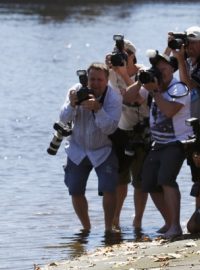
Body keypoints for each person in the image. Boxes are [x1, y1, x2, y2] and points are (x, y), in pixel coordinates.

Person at [125, 50, 193, 238]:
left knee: (166, 179)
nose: (161, 72)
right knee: (149, 182)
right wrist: (140, 80)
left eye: (164, 69)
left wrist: (154, 91)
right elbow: (128, 98)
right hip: (158, 143)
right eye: (157, 69)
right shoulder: (153, 85)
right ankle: (170, 222)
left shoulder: (179, 88)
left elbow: (170, 111)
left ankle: (176, 228)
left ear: (172, 69)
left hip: (177, 142)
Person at [59, 62, 122, 233]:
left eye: (99, 80)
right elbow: (63, 119)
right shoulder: (76, 90)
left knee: (109, 188)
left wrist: (98, 109)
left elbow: (110, 128)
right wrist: (72, 104)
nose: (95, 83)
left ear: (106, 80)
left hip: (103, 149)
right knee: (75, 190)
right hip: (77, 149)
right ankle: (86, 229)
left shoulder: (114, 98)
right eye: (91, 79)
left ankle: (109, 228)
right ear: (86, 79)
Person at [105, 38, 150, 230]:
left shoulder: (144, 73)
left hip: (141, 132)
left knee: (139, 181)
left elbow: (140, 99)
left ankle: (138, 220)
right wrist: (108, 65)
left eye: (125, 54)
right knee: (119, 179)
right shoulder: (110, 73)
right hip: (119, 132)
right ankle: (115, 219)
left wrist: (124, 74)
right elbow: (95, 82)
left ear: (133, 55)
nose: (121, 57)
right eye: (118, 53)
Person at [166, 26, 200, 233]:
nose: (190, 46)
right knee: (197, 174)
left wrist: (180, 59)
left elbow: (188, 84)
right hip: (194, 127)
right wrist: (170, 47)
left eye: (194, 42)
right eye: (188, 42)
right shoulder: (188, 61)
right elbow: (162, 68)